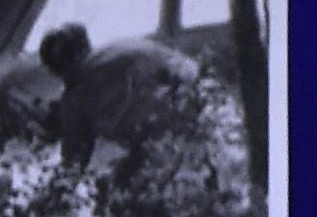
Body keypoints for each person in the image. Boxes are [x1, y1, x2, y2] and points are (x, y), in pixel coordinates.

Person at [33, 19, 201, 172]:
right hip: (196, 118)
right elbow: (191, 73)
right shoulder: (130, 46)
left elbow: (73, 161)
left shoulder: (75, 96)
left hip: (161, 144)